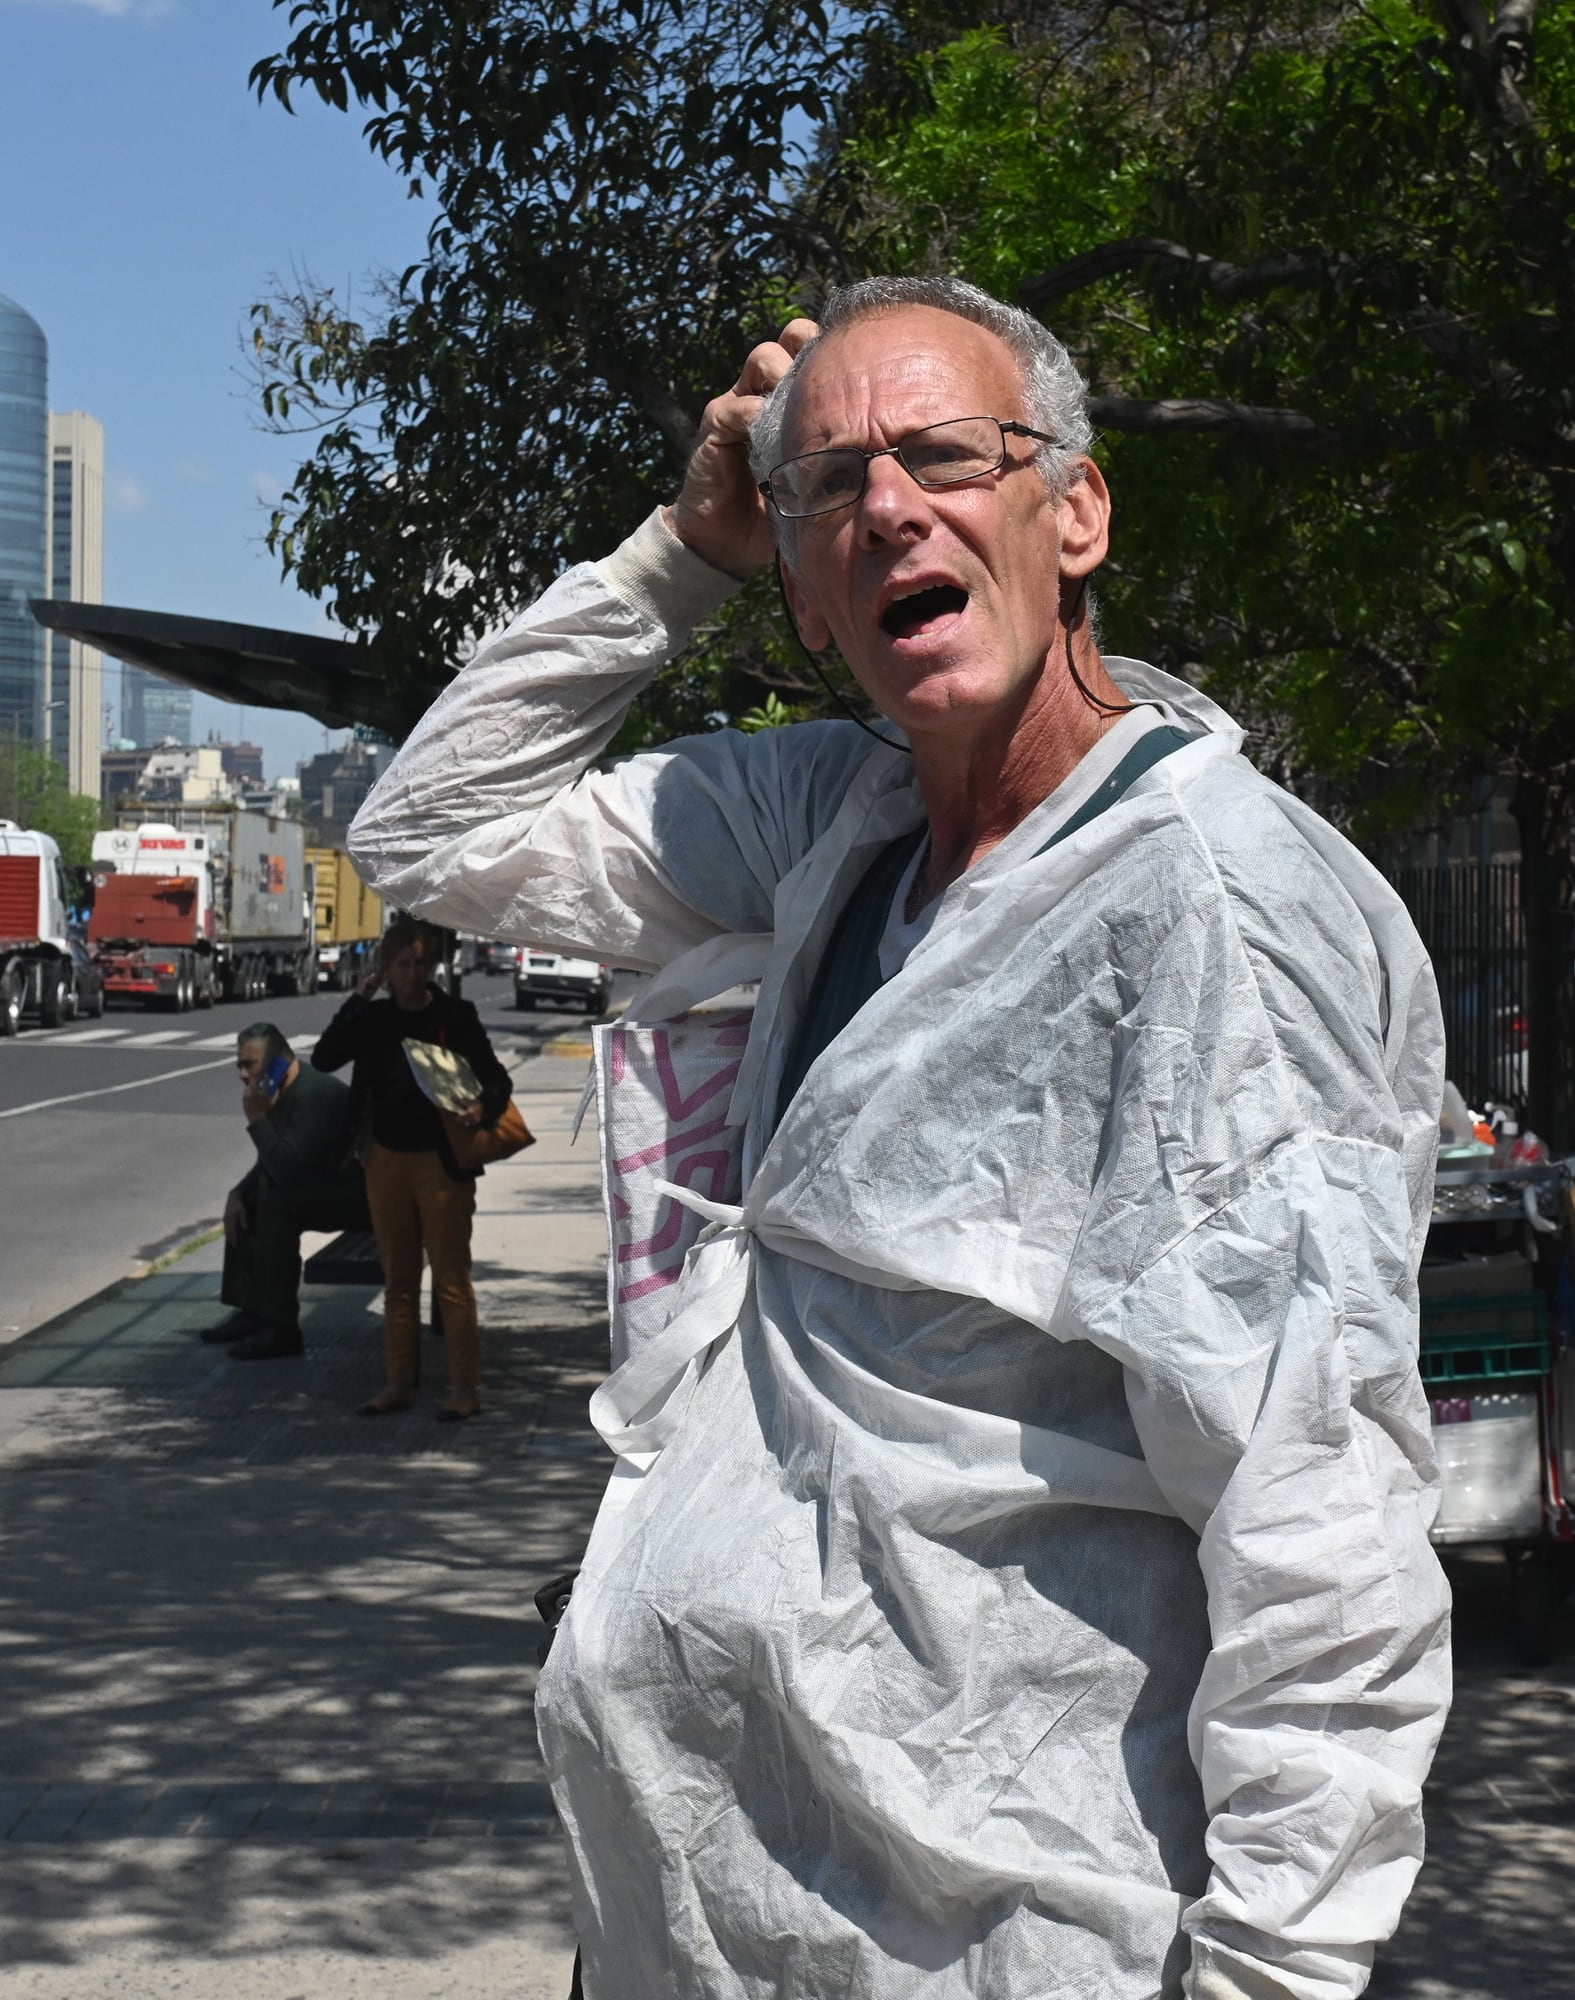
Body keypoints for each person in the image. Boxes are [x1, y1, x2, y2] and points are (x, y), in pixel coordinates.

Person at [349, 275, 1450, 1999]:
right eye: (830, 490)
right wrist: (679, 548)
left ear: (1074, 510)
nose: (887, 508)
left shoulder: (1213, 912)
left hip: (993, 1942)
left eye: (945, 452)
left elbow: (1320, 1518)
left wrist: (1274, 1974)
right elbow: (435, 833)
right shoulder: (834, 822)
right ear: (798, 590)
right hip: (721, 1913)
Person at [312, 915, 512, 1420]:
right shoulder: (374, 1020)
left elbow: (496, 1080)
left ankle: (464, 1389)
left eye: (422, 963)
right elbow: (323, 1057)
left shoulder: (455, 1016)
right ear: (386, 967)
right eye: (403, 963)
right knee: (398, 1279)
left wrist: (480, 1109)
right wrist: (360, 998)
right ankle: (398, 1383)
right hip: (384, 1160)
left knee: (450, 1278)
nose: (413, 973)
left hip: (441, 1165)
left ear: (435, 966)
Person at [204, 1022, 368, 1361]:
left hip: (365, 1196)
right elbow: (275, 1160)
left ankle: (281, 1329)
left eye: (249, 1065)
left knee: (279, 1201)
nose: (242, 1075)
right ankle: (253, 1309)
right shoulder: (282, 1089)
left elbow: (288, 1170)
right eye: (239, 1065)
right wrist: (238, 1191)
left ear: (279, 1062)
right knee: (251, 1196)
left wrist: (257, 1120)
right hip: (328, 1183)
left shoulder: (312, 1096)